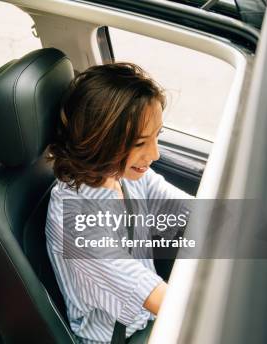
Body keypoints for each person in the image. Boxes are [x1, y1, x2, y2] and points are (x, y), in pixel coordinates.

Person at [45, 63, 192, 343]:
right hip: (117, 338)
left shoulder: (123, 175)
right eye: (140, 144)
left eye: (156, 137)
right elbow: (158, 298)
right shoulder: (75, 221)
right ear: (101, 142)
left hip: (148, 317)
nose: (155, 154)